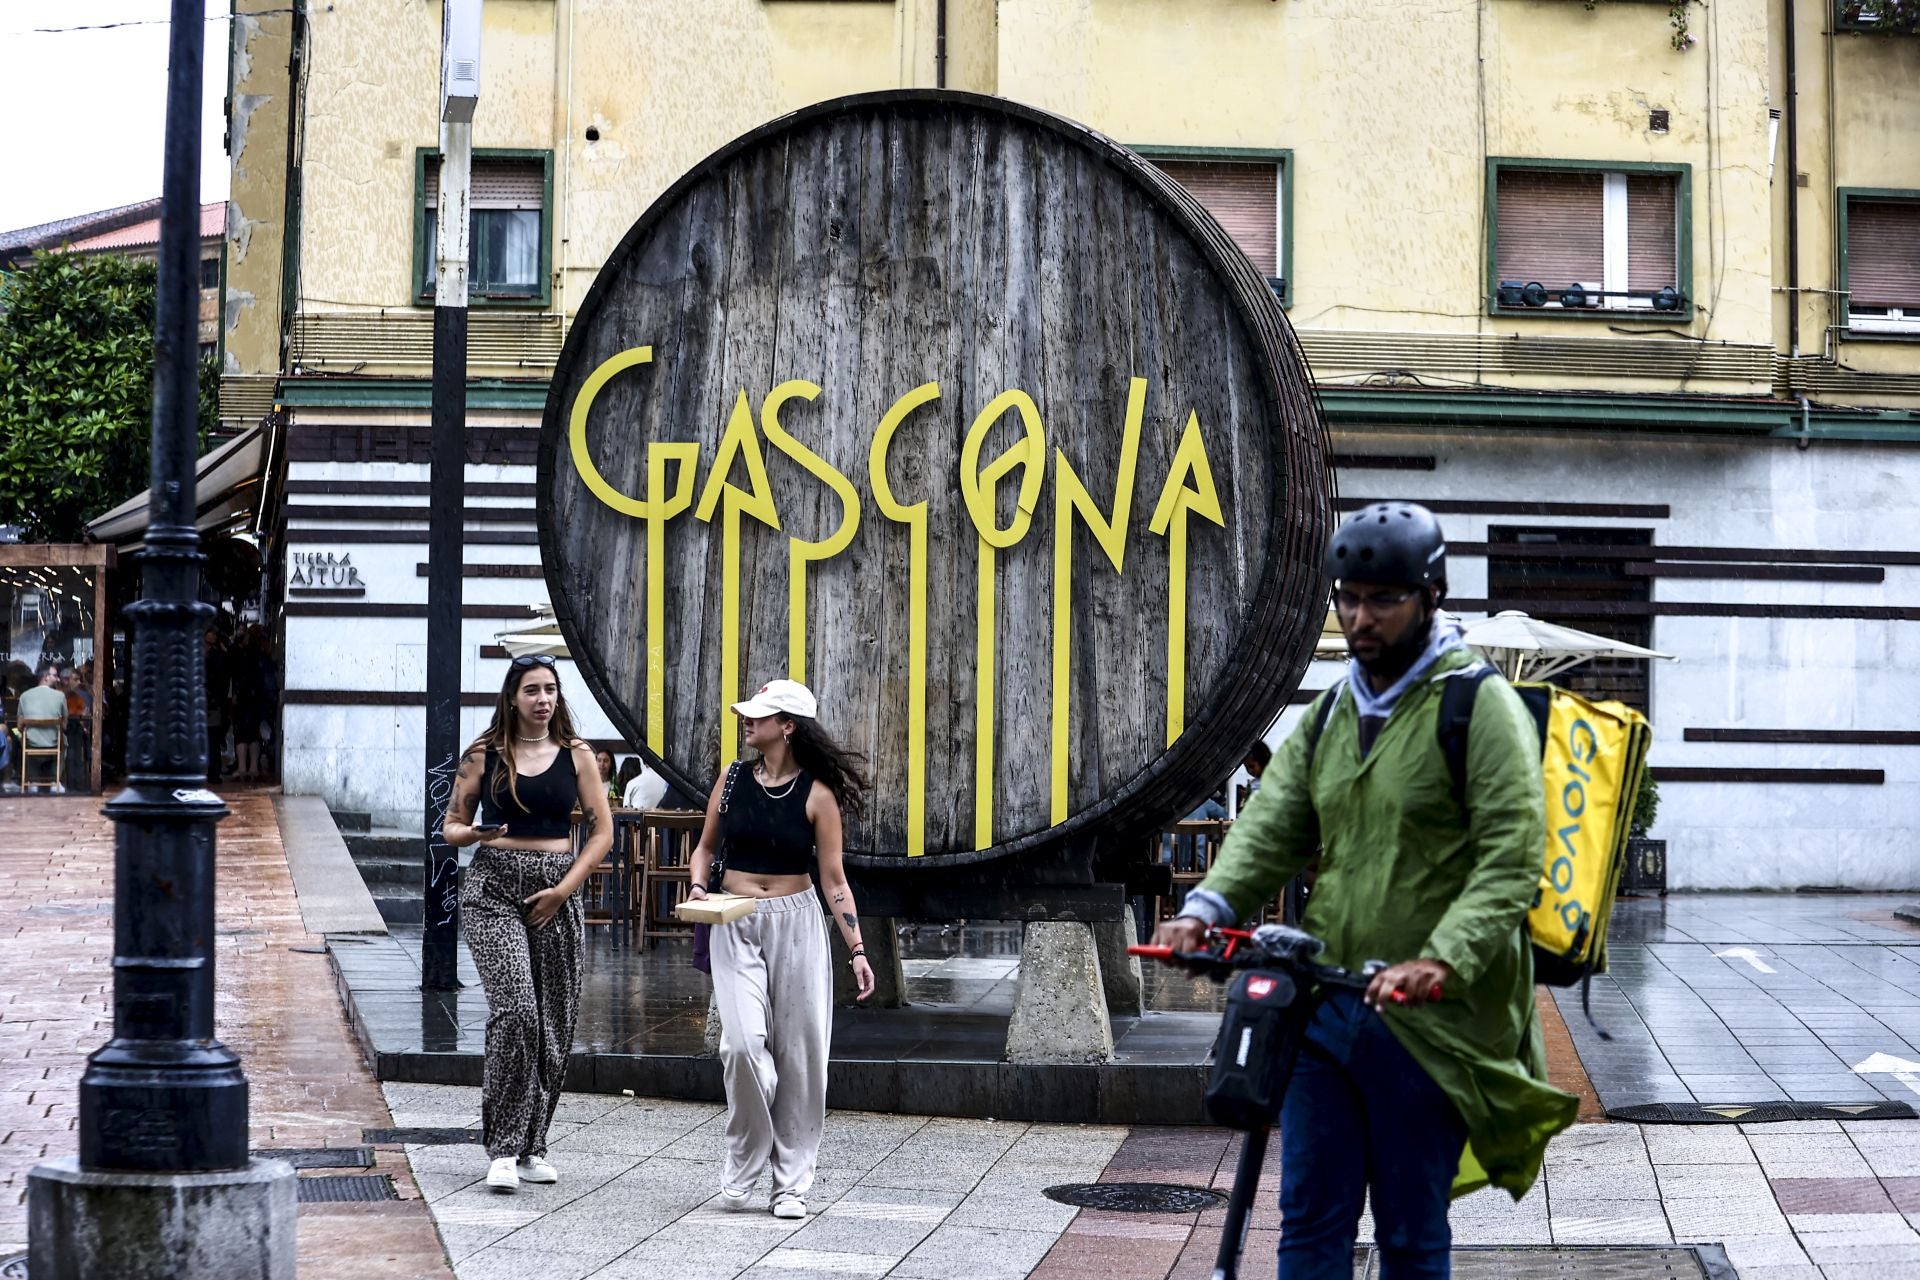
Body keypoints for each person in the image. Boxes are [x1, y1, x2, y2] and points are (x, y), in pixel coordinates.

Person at [1152, 501, 1575, 1280]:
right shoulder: (1334, 712)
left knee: (1411, 1232)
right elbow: (1272, 825)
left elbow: (1513, 861)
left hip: (1430, 1024)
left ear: (1431, 597)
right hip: (1327, 1007)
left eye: (1384, 599)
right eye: (1348, 598)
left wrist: (1441, 960)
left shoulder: (1478, 708)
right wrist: (1205, 910)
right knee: (1309, 1219)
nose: (1361, 617)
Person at [688, 678, 875, 1221]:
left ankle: (790, 1183)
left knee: (801, 1057)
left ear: (787, 726)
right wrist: (699, 888)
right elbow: (703, 849)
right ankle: (746, 1159)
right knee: (742, 1047)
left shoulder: (818, 794)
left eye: (760, 715)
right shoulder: (732, 779)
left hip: (797, 922)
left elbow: (834, 880)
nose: (748, 721)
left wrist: (857, 950)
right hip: (734, 918)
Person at [442, 654, 613, 1193]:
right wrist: (469, 836)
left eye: (551, 690)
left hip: (555, 889)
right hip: (492, 886)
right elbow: (450, 824)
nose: (544, 700)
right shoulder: (484, 755)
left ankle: (533, 1144)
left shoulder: (577, 756)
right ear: (512, 697)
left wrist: (564, 891)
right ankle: (503, 1147)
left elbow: (602, 832)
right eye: (533, 690)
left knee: (555, 1023)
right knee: (517, 1012)